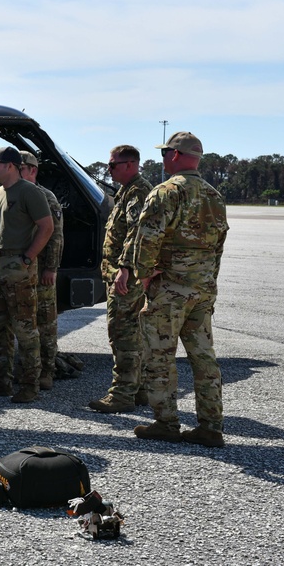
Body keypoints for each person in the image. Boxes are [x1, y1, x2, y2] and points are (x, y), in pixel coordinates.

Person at [123, 132, 228, 447]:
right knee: (203, 356)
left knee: (159, 355)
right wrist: (209, 281)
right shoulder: (214, 196)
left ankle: (166, 423)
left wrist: (140, 276)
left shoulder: (165, 192)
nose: (163, 156)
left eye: (166, 151)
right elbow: (218, 246)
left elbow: (147, 238)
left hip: (170, 289)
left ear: (178, 155)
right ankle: (211, 426)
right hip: (202, 288)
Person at [0, 147, 54, 403]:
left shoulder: (31, 192)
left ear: (10, 166)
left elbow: (47, 227)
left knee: (25, 327)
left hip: (17, 267)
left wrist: (28, 258)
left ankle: (30, 384)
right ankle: (1, 381)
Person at [88, 145, 153, 413]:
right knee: (132, 333)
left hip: (125, 277)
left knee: (123, 334)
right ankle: (138, 390)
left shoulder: (137, 191)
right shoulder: (127, 190)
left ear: (130, 164)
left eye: (113, 165)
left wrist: (124, 268)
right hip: (123, 274)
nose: (109, 170)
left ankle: (122, 394)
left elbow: (137, 232)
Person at [0, 150, 64, 390]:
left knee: (44, 322)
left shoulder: (44, 196)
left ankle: (46, 371)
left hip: (39, 266)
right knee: (17, 321)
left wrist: (51, 268)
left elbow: (54, 235)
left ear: (32, 170)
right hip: (19, 267)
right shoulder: (5, 192)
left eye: (22, 168)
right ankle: (18, 371)